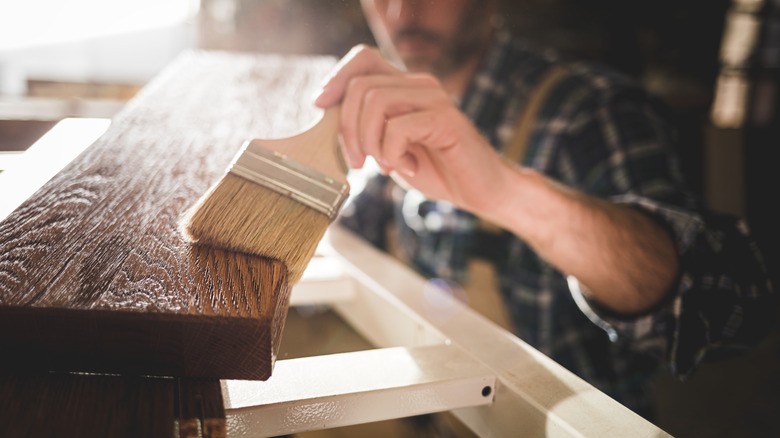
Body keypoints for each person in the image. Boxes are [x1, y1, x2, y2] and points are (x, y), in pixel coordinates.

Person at [313, 0, 776, 421]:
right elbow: (354, 240)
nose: (401, 12)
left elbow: (733, 303)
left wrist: (506, 192)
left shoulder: (589, 111)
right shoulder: (388, 117)